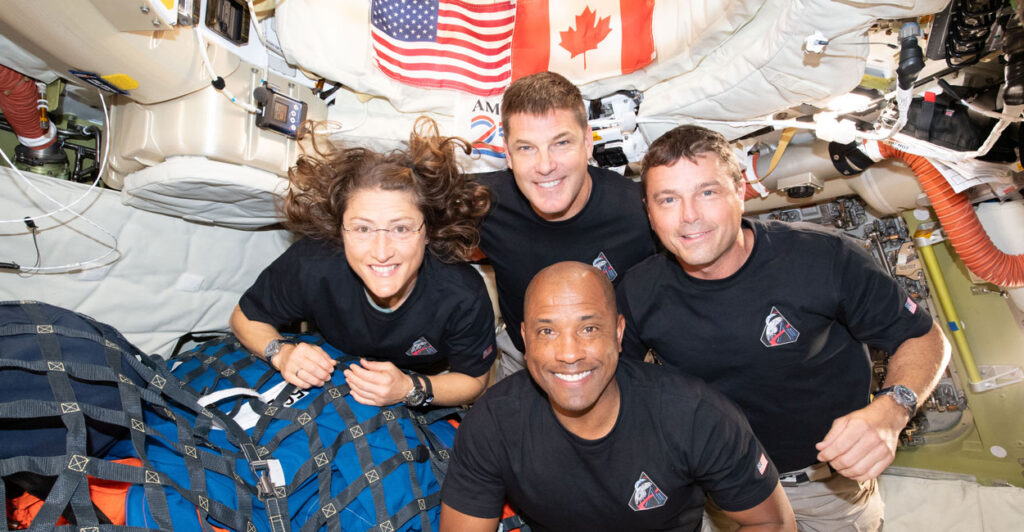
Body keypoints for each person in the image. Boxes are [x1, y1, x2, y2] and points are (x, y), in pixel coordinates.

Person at [616, 125, 951, 530]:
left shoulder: (823, 257)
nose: (689, 216)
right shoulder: (637, 291)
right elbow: (614, 386)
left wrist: (892, 409)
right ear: (650, 213)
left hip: (826, 490)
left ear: (740, 192)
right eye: (668, 199)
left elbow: (920, 336)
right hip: (721, 492)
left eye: (707, 192)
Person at [440, 262, 796, 532]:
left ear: (619, 332)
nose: (569, 353)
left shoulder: (693, 414)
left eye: (589, 328)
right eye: (547, 331)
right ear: (525, 339)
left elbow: (772, 522)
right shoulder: (493, 424)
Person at [229, 118, 497, 407]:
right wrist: (281, 353)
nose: (381, 252)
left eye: (401, 228)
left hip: (421, 383)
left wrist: (408, 389)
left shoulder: (462, 294)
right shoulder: (313, 262)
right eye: (362, 229)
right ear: (340, 231)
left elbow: (474, 380)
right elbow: (245, 317)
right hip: (328, 377)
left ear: (428, 231)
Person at [474, 71, 655, 378]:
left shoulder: (638, 211)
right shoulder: (482, 203)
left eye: (561, 143)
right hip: (524, 362)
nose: (545, 166)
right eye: (526, 148)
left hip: (620, 365)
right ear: (508, 155)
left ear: (587, 142)